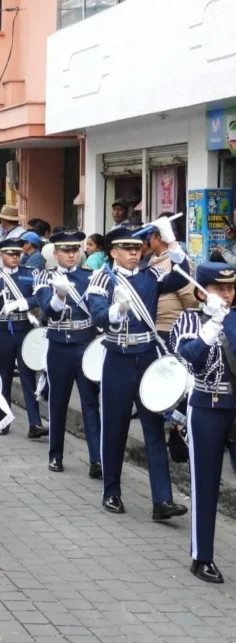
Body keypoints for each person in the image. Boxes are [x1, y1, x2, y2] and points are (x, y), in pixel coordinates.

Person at [86, 221, 191, 517]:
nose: (134, 253)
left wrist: (172, 242)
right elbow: (98, 316)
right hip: (118, 357)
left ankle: (162, 500)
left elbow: (182, 275)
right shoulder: (102, 279)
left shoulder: (151, 275)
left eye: (137, 247)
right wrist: (117, 309)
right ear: (113, 252)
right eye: (127, 248)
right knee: (115, 428)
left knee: (154, 428)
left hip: (147, 357)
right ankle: (111, 492)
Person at [168, 262, 235, 583]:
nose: (227, 294)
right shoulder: (189, 320)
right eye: (219, 288)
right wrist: (213, 326)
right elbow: (190, 358)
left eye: (230, 288)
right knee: (205, 483)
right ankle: (202, 557)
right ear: (201, 292)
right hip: (207, 407)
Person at [34, 230, 102, 476]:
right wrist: (60, 295)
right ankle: (55, 455)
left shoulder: (91, 276)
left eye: (75, 250)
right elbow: (47, 311)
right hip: (59, 345)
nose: (71, 255)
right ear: (56, 254)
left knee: (90, 403)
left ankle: (97, 460)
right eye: (66, 250)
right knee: (58, 402)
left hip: (85, 344)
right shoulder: (45, 276)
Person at [0, 238, 47, 438]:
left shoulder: (30, 273)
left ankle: (35, 423)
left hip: (24, 327)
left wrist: (23, 303)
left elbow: (40, 297)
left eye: (17, 253)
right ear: (1, 255)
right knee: (5, 375)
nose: (15, 257)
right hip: (3, 329)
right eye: (10, 254)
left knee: (28, 376)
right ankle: (3, 420)